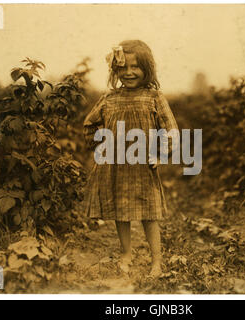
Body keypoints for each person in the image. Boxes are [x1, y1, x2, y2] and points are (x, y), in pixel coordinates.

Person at [83, 40, 179, 277]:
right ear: (115, 71)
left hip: (143, 166)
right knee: (121, 212)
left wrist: (160, 153)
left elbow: (171, 131)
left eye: (135, 66)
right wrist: (102, 145)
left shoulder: (155, 97)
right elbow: (89, 125)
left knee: (149, 213)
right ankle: (126, 253)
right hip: (116, 166)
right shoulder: (110, 99)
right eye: (122, 68)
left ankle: (156, 260)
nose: (129, 73)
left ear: (148, 68)